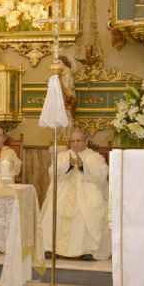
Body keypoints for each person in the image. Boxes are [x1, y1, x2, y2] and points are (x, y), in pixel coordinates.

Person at [41, 129, 110, 261]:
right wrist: (69, 165)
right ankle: (51, 248)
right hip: (63, 190)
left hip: (87, 192)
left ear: (86, 142)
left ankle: (87, 250)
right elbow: (52, 172)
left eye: (78, 140)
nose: (75, 144)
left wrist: (83, 165)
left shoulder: (94, 157)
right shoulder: (63, 156)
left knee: (87, 211)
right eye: (72, 141)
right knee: (52, 210)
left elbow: (102, 174)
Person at [58, 55, 77, 141]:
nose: (58, 64)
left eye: (59, 62)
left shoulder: (67, 72)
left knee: (67, 115)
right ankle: (64, 135)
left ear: (63, 62)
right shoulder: (62, 72)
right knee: (64, 116)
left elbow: (67, 86)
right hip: (64, 96)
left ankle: (68, 136)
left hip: (68, 97)